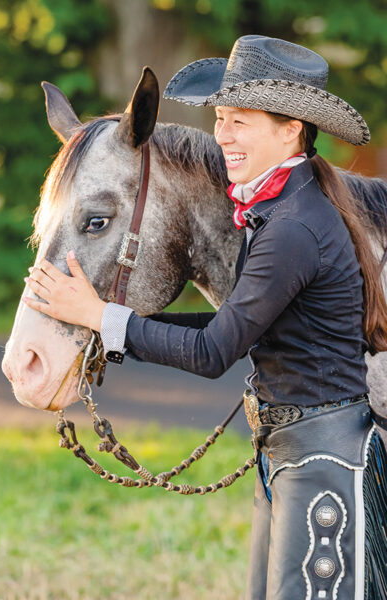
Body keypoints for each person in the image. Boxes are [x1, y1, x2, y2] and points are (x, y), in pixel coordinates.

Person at [23, 35, 387, 599]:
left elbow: (215, 351)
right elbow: (233, 329)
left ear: (291, 128)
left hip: (324, 459)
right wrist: (103, 323)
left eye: (240, 120)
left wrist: (102, 316)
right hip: (292, 454)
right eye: (220, 118)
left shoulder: (292, 226)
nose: (223, 135)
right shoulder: (281, 209)